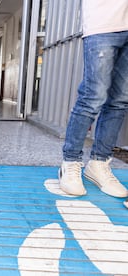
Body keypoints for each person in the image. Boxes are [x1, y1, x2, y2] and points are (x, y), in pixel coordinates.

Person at [59, 0, 128, 200]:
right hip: (103, 22)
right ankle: (70, 162)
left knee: (119, 101)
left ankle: (99, 164)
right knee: (93, 97)